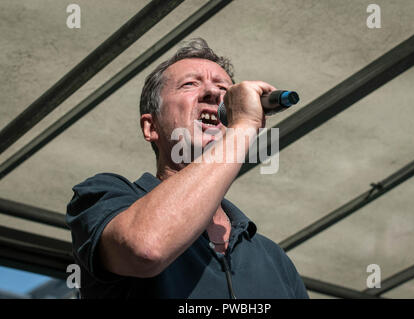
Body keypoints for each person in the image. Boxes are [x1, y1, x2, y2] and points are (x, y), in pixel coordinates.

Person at [66, 38, 309, 299]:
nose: (214, 93)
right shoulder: (105, 196)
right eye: (190, 84)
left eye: (224, 88)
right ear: (151, 127)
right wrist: (243, 127)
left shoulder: (273, 258)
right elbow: (146, 248)